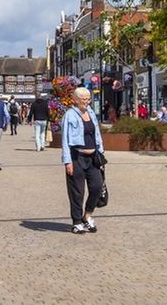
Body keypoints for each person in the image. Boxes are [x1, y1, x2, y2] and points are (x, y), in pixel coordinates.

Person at [62, 87, 105, 235]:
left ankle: (87, 216)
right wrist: (67, 161)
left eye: (88, 99)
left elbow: (97, 133)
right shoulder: (69, 115)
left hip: (93, 157)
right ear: (76, 100)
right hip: (77, 157)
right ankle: (76, 222)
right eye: (84, 99)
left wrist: (101, 152)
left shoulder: (91, 113)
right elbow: (65, 140)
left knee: (97, 187)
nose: (87, 102)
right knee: (77, 192)